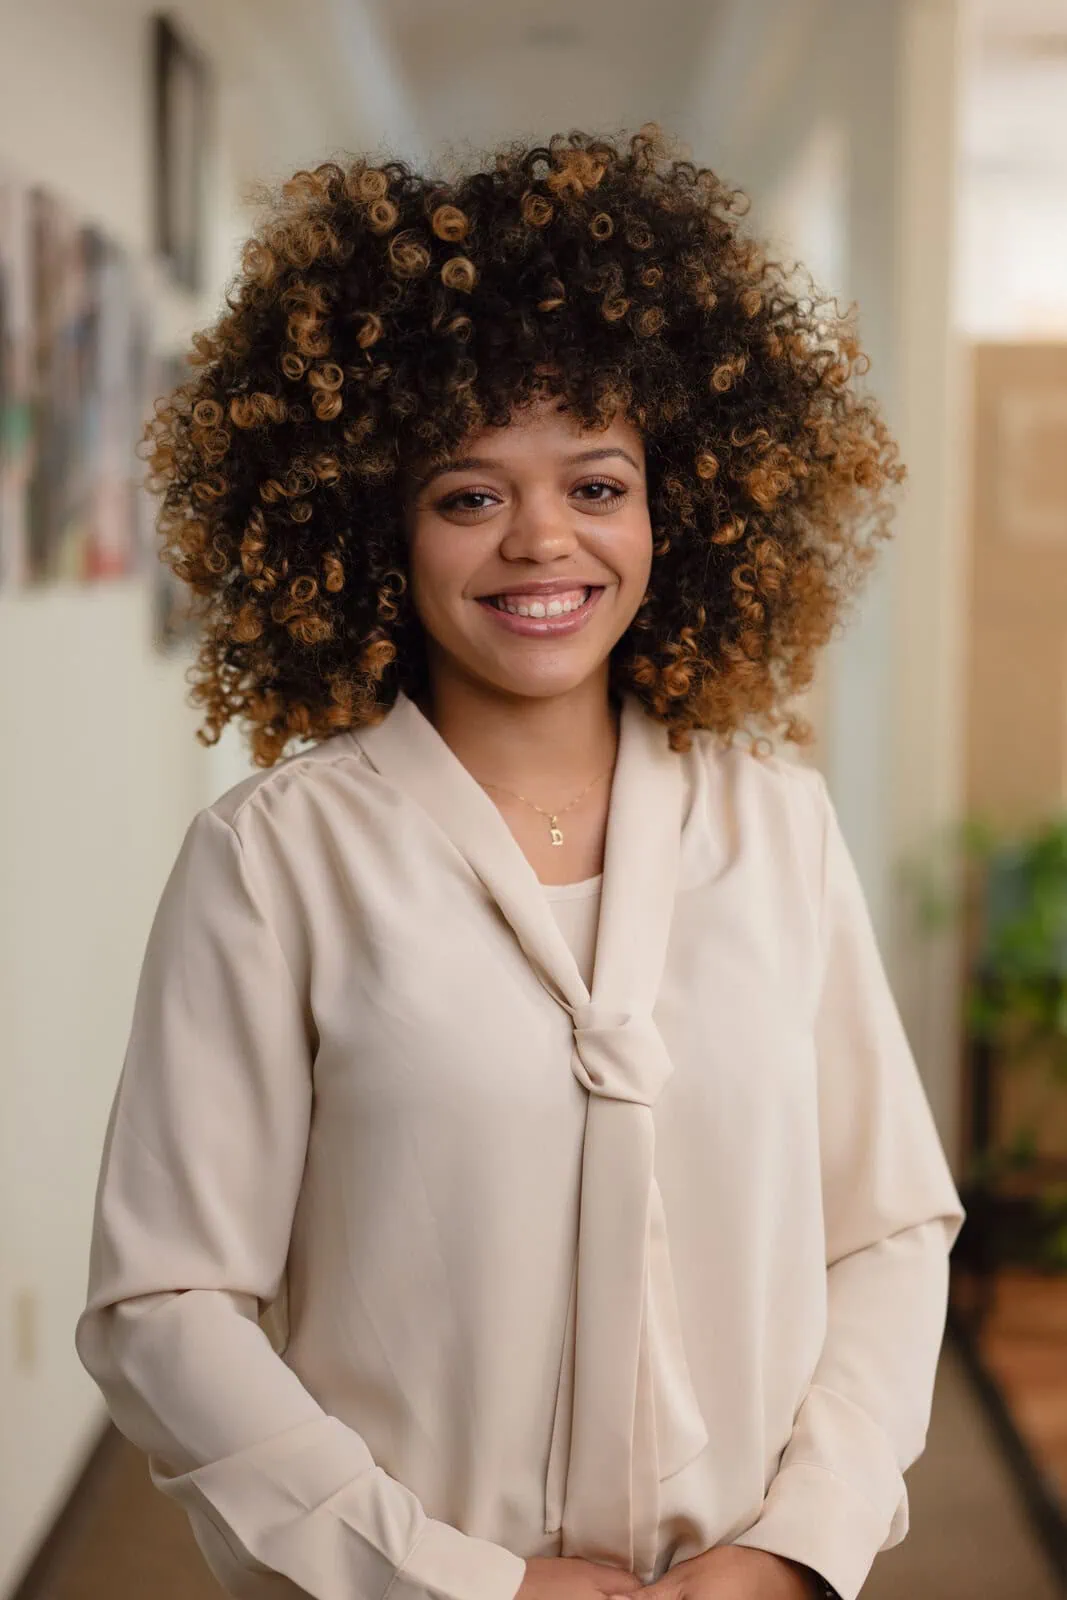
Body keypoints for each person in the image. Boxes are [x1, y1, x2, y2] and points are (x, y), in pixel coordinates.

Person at [75, 125, 964, 1600]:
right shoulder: (276, 861)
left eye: (597, 485)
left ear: (676, 509)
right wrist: (453, 1579)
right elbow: (167, 1304)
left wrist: (798, 1544)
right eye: (469, 493)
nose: (542, 542)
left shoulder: (778, 831)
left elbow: (886, 1231)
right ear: (377, 529)